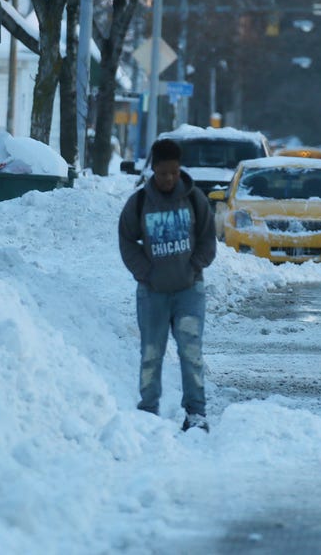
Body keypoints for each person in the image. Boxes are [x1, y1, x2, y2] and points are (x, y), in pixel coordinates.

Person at [118, 139, 217, 432]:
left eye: (174, 172)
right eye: (163, 173)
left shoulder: (194, 199)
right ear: (153, 170)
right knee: (151, 352)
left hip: (189, 291)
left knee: (191, 352)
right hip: (152, 294)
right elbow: (126, 239)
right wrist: (144, 272)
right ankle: (148, 410)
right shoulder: (139, 203)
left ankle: (196, 413)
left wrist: (193, 266)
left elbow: (208, 239)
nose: (169, 178)